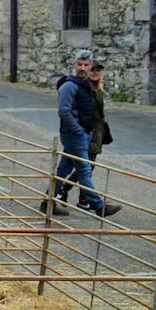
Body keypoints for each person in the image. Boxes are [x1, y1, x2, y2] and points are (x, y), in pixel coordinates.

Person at [40, 49, 121, 219]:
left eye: (86, 65)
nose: (82, 68)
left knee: (63, 170)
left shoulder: (84, 84)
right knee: (84, 170)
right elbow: (63, 111)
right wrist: (78, 130)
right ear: (74, 64)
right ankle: (99, 206)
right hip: (74, 135)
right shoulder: (69, 85)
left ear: (90, 66)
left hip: (81, 134)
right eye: (80, 64)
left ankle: (47, 203)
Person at [56, 60, 111, 206]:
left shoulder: (98, 90)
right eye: (93, 70)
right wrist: (79, 130)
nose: (95, 72)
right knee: (85, 169)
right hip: (84, 134)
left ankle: (53, 198)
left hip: (94, 134)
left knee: (68, 169)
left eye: (98, 70)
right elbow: (66, 111)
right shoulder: (81, 88)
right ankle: (95, 204)